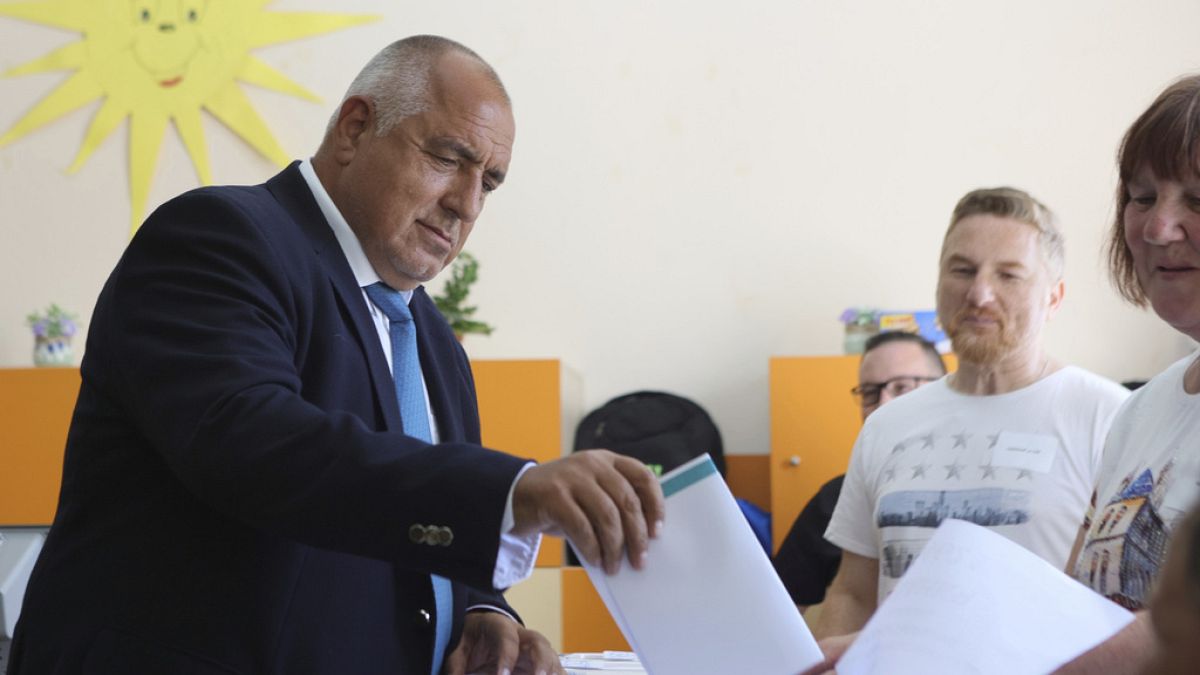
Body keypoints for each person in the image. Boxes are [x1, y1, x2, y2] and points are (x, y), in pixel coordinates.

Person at [7, 36, 664, 675]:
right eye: (447, 158)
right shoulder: (220, 238)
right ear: (355, 129)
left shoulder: (435, 344)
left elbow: (404, 529)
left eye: (488, 182)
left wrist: (480, 611)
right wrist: (510, 492)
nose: (466, 205)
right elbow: (255, 446)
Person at [812, 187, 1130, 646]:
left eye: (1009, 275)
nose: (979, 294)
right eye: (962, 270)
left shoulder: (1111, 416)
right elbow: (854, 591)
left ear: (1054, 298)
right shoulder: (887, 425)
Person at [1052, 73, 1200, 675]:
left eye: (1198, 200)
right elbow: (1070, 602)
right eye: (1142, 197)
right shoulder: (1141, 408)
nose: (1158, 228)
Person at [772, 331, 947, 610]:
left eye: (901, 387)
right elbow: (784, 606)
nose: (883, 404)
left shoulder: (984, 486)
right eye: (869, 393)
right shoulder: (834, 499)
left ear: (945, 392)